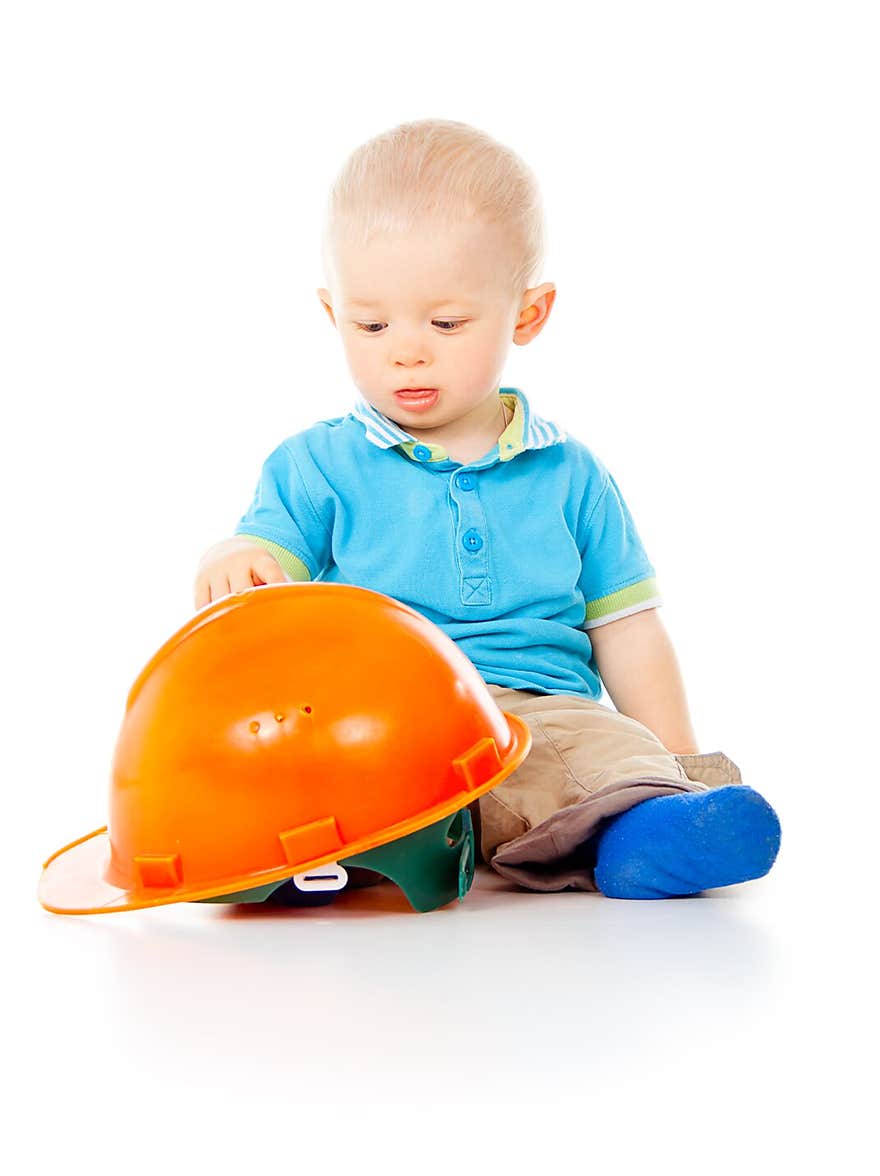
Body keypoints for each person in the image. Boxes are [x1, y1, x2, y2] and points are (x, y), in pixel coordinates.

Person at [194, 118, 780, 900]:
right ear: (334, 314)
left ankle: (646, 828)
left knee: (596, 753)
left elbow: (628, 630)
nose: (406, 349)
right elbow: (270, 572)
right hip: (381, 716)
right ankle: (306, 851)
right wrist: (231, 555)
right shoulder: (315, 464)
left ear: (527, 315)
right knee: (321, 762)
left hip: (535, 715)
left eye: (445, 323)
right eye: (372, 324)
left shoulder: (571, 474)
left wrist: (676, 760)